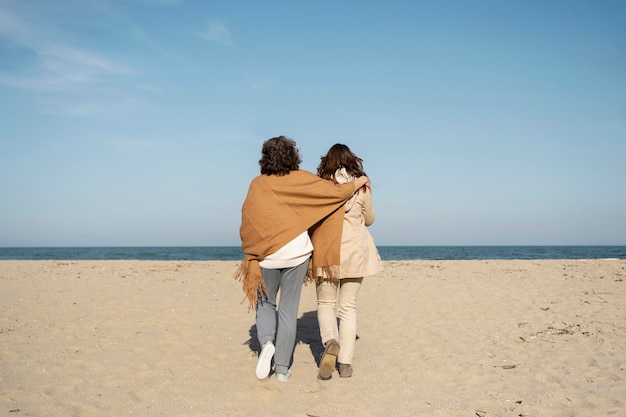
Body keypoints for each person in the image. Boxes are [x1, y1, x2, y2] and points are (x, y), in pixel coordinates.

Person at [234, 136, 370, 382]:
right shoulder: (304, 179)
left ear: (265, 158)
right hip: (297, 253)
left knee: (266, 304)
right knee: (288, 309)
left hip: (266, 256)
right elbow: (334, 193)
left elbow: (249, 220)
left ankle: (266, 344)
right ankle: (284, 370)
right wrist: (359, 181)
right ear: (293, 156)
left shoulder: (257, 184)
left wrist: (252, 251)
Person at [314, 143, 383, 380]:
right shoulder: (362, 188)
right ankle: (345, 363)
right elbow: (370, 220)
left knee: (325, 303)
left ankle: (330, 340)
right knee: (348, 308)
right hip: (355, 250)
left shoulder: (321, 187)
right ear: (352, 161)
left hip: (327, 250)